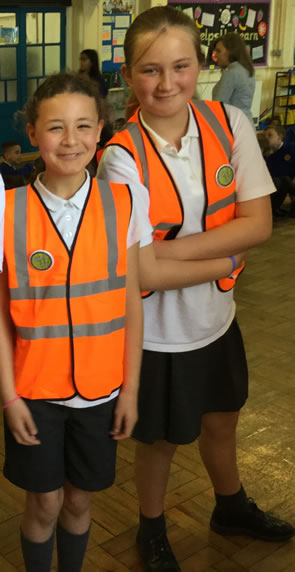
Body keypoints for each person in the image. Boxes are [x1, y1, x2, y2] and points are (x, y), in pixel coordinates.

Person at [98, 6, 294, 572]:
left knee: (222, 417)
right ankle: (151, 526)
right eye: (150, 70)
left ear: (200, 64)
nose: (167, 83)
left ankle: (229, 505)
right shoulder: (120, 156)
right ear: (129, 76)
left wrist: (168, 251)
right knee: (160, 440)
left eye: (179, 66)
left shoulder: (228, 124)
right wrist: (225, 254)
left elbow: (258, 223)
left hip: (217, 318)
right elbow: (146, 277)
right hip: (156, 333)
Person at [0, 71, 152, 572]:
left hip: (102, 394)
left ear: (101, 130)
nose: (71, 140)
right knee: (43, 504)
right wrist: (9, 395)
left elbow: (131, 302)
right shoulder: (7, 210)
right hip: (34, 394)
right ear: (32, 133)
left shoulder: (125, 201)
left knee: (81, 502)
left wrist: (130, 391)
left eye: (84, 126)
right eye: (56, 127)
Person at [211, 33, 255, 124]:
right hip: (247, 123)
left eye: (219, 51)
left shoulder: (231, 72)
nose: (215, 56)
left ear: (230, 51)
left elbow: (218, 105)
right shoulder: (247, 69)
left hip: (234, 125)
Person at [264, 124, 295, 216]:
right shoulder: (266, 153)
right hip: (280, 182)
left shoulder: (291, 148)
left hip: (292, 181)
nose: (266, 138)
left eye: (270, 135)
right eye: (265, 136)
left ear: (280, 137)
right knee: (282, 180)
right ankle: (273, 209)